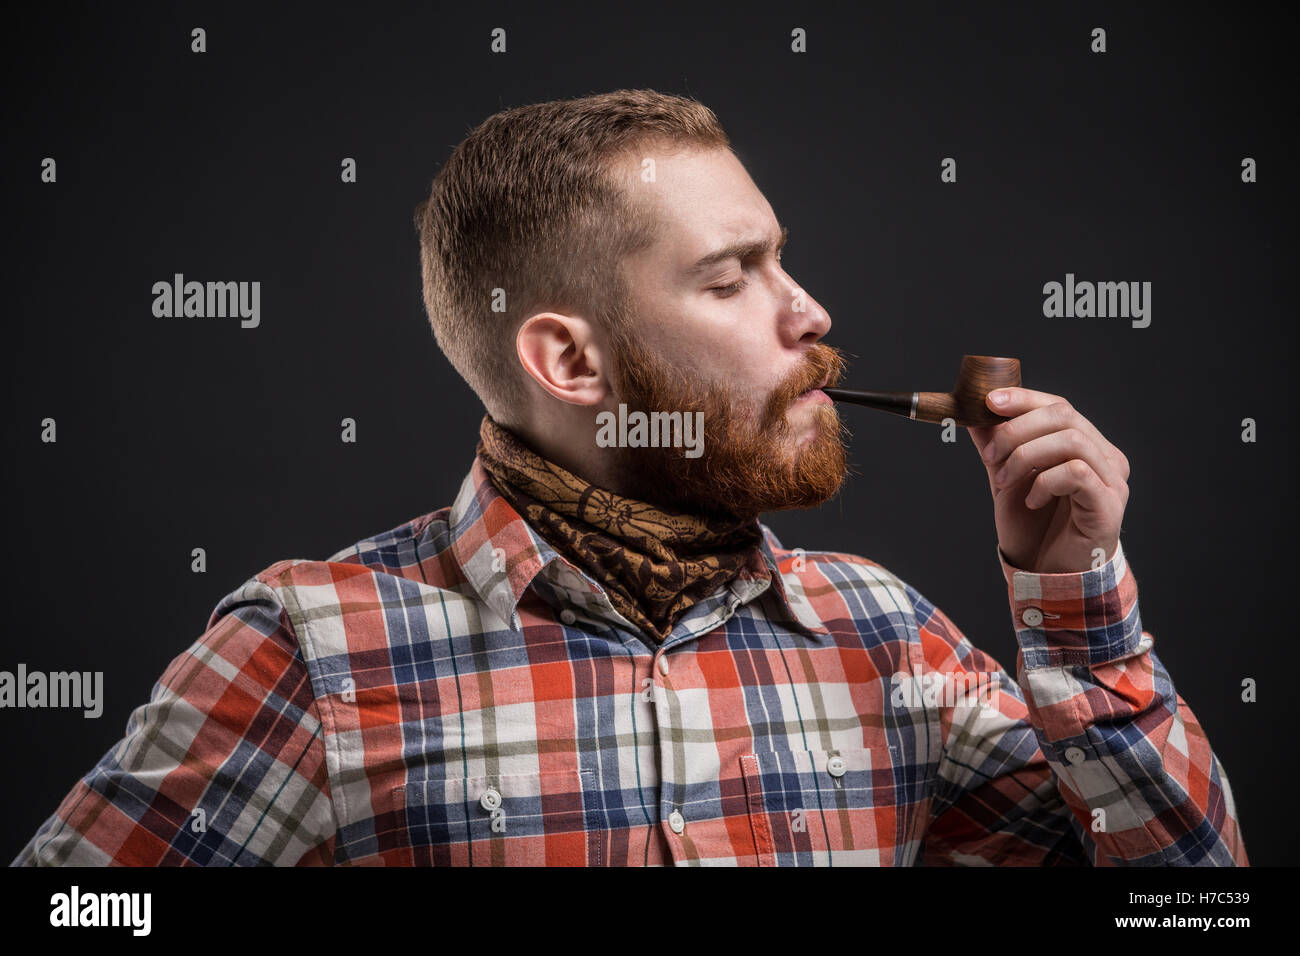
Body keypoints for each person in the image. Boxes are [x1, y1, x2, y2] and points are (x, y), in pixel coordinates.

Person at [13, 89, 1246, 866]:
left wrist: (1076, 604)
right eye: (732, 276)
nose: (810, 314)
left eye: (786, 262)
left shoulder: (882, 635)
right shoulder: (314, 649)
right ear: (568, 357)